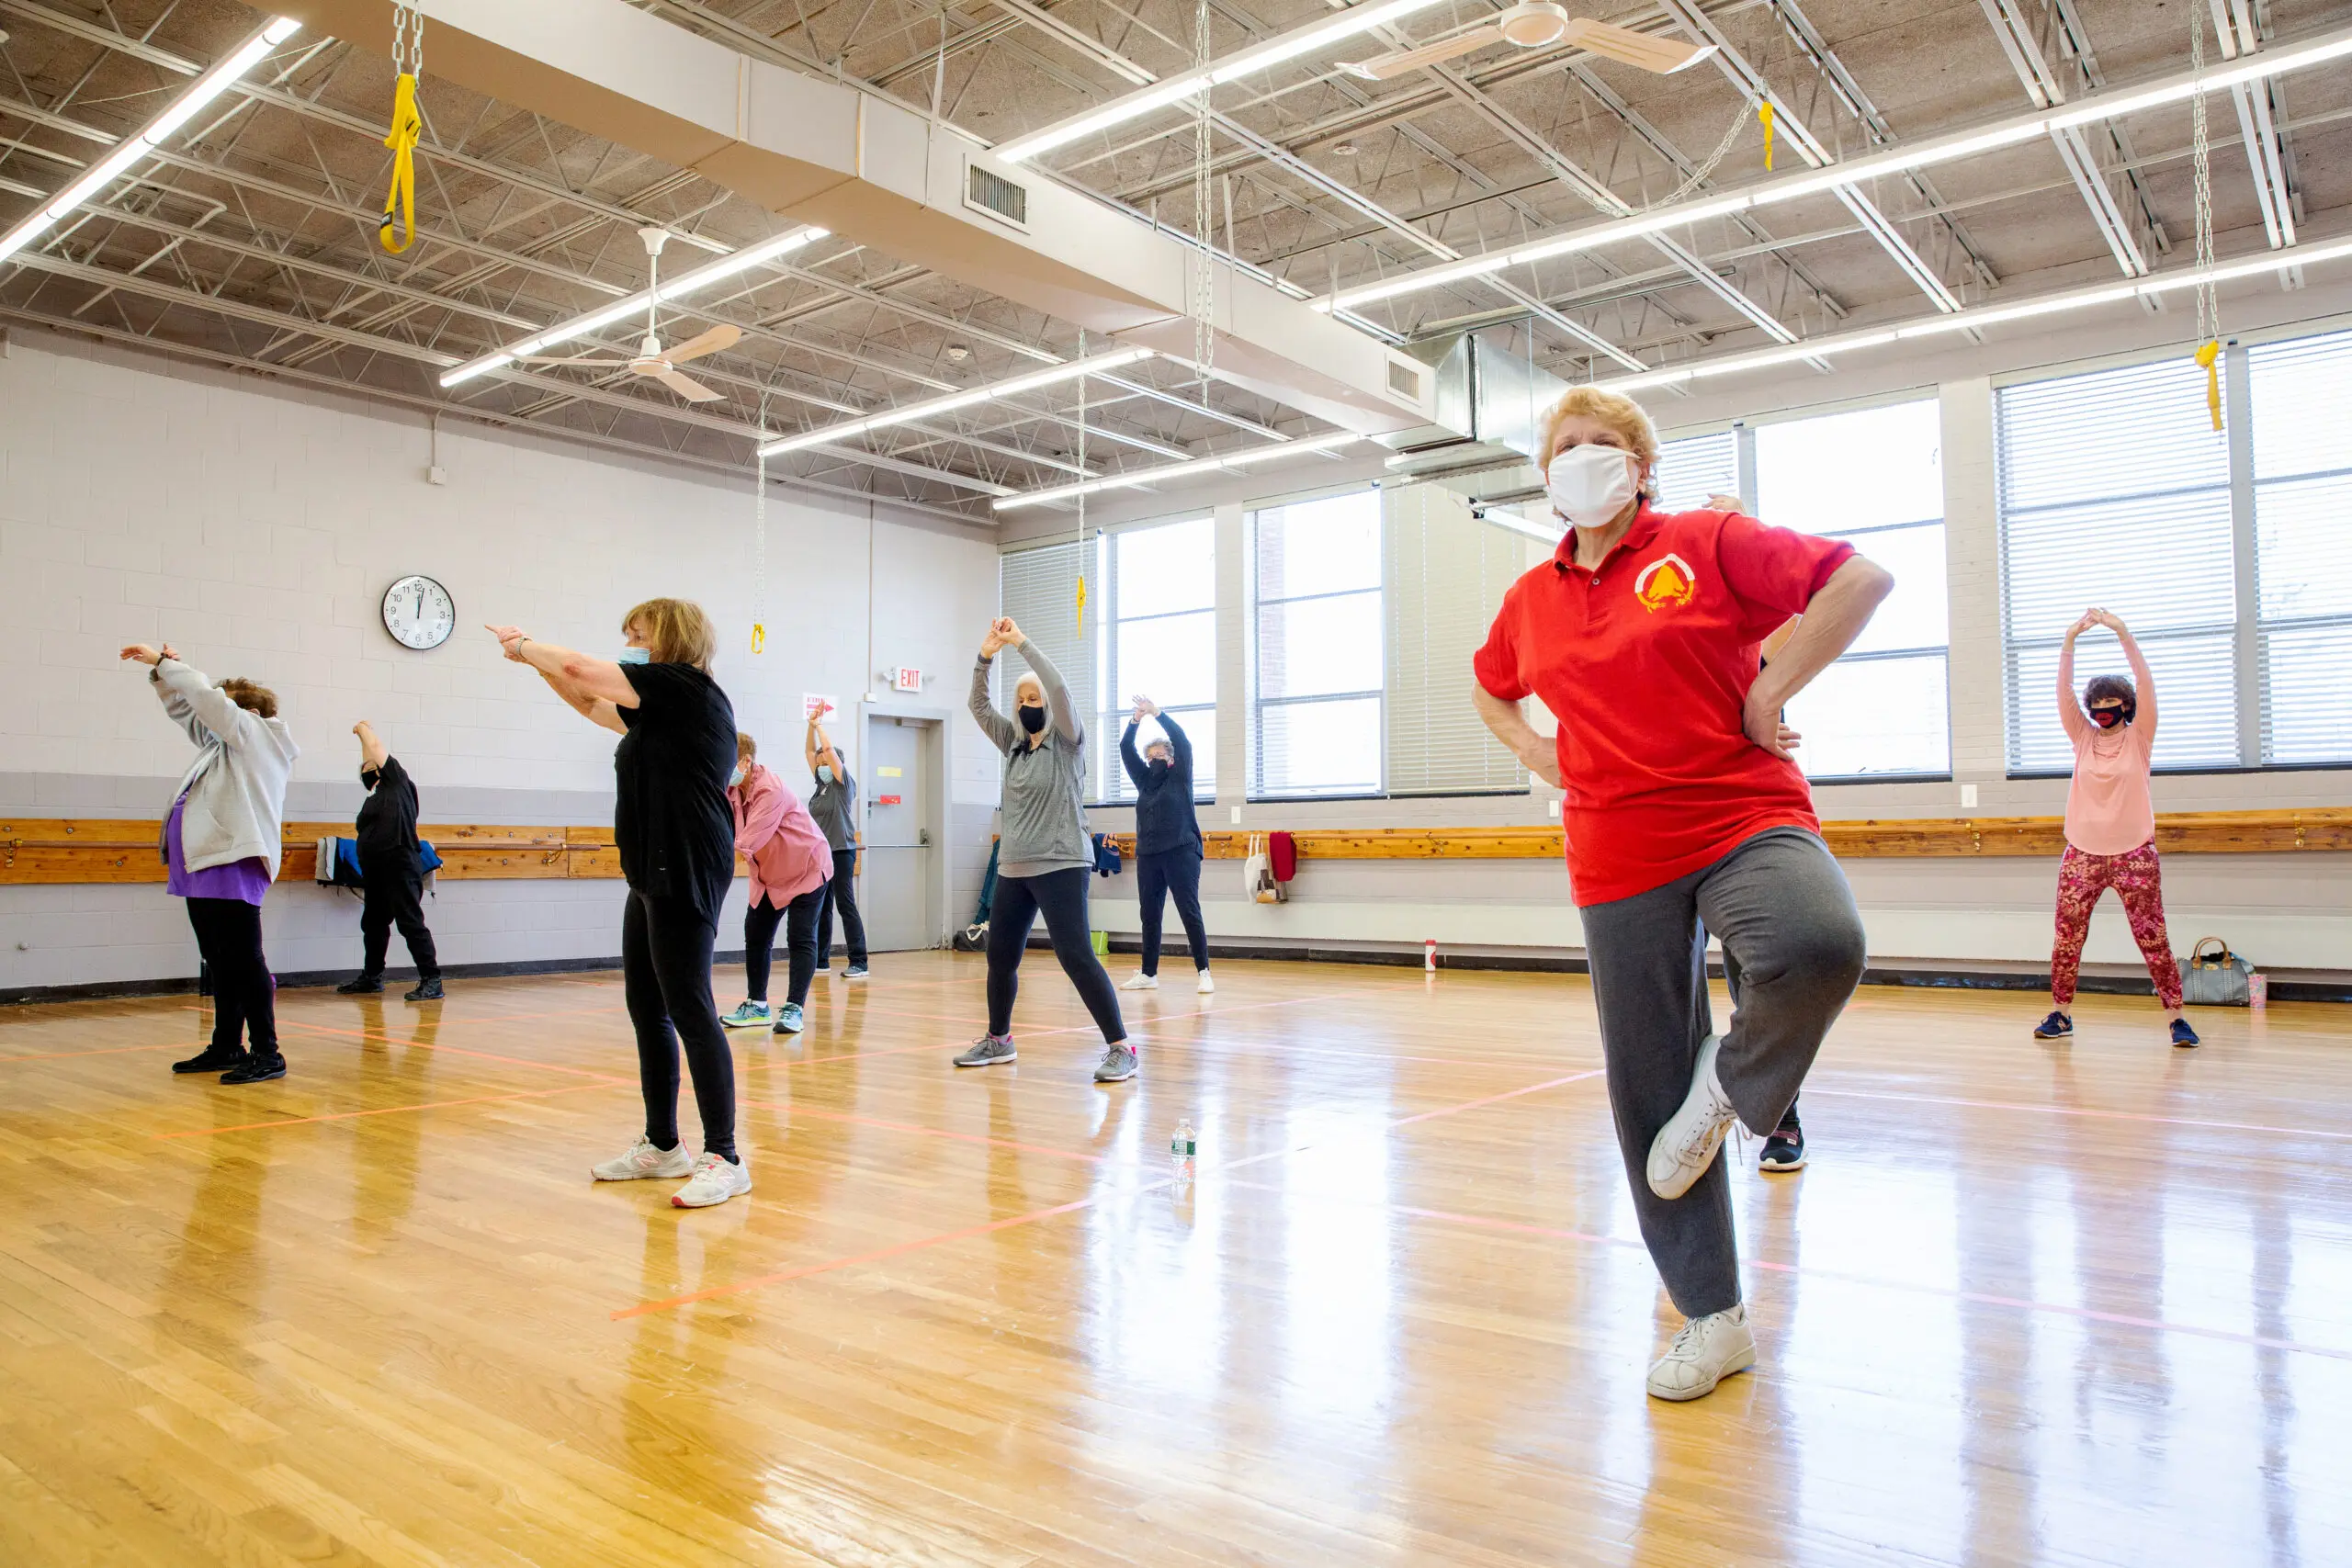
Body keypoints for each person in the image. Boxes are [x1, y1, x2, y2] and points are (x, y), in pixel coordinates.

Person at [1472, 386, 1892, 1402]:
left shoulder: (1704, 542)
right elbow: (1490, 680)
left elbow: (1857, 580)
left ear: (1639, 466)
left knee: (1817, 944)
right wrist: (1533, 745)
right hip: (1617, 848)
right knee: (1644, 1081)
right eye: (1563, 446)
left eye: (1602, 444)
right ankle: (1713, 1319)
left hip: (1742, 812)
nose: (1581, 459)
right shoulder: (1531, 600)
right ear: (1543, 475)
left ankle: (1732, 1089)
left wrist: (1766, 689)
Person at [486, 601, 751, 1209]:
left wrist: (526, 643)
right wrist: (532, 665)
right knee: (647, 1005)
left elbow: (580, 668)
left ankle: (726, 1156)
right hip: (651, 865)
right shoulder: (655, 709)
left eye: (638, 634)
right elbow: (585, 699)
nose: (630, 642)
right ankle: (664, 1145)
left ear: (669, 639)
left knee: (689, 1004)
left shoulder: (684, 688)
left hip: (685, 860)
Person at [956, 616, 1137, 1083]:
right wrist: (985, 657)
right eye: (1022, 700)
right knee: (1000, 956)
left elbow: (1059, 689)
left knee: (1075, 953)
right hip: (1015, 867)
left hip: (1061, 861)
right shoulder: (1013, 744)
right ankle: (999, 1040)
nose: (1028, 705)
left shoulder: (1068, 742)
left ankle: (1121, 1047)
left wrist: (1021, 643)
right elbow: (977, 705)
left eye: (1033, 699)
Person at [120, 641, 298, 1084]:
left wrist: (166, 664)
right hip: (201, 863)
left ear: (248, 714)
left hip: (233, 860)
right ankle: (227, 1046)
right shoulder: (222, 748)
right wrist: (165, 675)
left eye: (224, 709)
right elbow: (188, 711)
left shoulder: (261, 740)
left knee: (243, 959)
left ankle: (268, 1052)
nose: (213, 718)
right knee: (218, 961)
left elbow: (206, 702)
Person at [2038, 607, 2194, 1047]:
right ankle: (2061, 1013)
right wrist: (2070, 639)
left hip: (2134, 854)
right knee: (2067, 938)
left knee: (2153, 938)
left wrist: (2122, 631)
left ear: (2126, 706)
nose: (2102, 711)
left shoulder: (2140, 737)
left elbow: (2146, 682)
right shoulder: (2083, 737)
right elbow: (2063, 692)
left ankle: (2177, 1019)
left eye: (2111, 705)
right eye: (2097, 707)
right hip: (2081, 854)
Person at [721, 732, 833, 1036]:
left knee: (800, 936)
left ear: (745, 761)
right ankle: (757, 1006)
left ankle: (794, 1009)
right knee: (755, 933)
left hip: (807, 868)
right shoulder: (733, 790)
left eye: (725, 761)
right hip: (770, 873)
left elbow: (747, 841)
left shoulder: (769, 790)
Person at [336, 720, 444, 1001]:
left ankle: (432, 980)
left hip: (399, 864)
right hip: (376, 868)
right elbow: (368, 761)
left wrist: (361, 729)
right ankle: (372, 978)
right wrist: (363, 747)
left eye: (371, 766)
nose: (366, 768)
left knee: (409, 922)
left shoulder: (398, 781)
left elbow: (376, 750)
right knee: (373, 923)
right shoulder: (375, 795)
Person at [1117, 695, 1212, 995]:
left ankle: (1204, 971)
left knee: (1188, 910)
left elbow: (1182, 741)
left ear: (1170, 759)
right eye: (1150, 756)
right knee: (1150, 913)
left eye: (1159, 754)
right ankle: (1148, 973)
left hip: (1181, 851)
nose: (1154, 759)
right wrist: (1135, 721)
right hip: (1148, 854)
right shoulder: (1145, 781)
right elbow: (1124, 749)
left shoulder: (1180, 776)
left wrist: (1156, 713)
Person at [805, 716, 868, 979]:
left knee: (845, 904)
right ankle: (821, 960)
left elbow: (827, 751)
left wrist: (820, 726)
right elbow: (810, 751)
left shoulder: (844, 785)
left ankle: (859, 961)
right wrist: (809, 725)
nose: (821, 767)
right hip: (821, 854)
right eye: (819, 765)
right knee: (822, 905)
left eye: (825, 764)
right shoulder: (820, 786)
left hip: (842, 851)